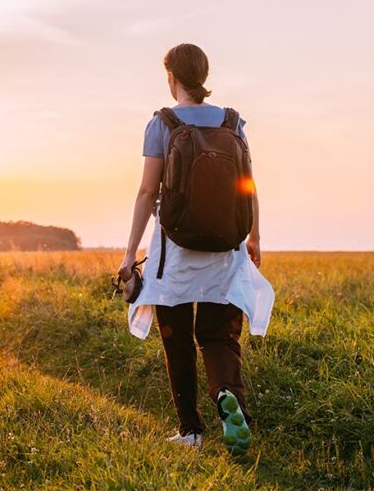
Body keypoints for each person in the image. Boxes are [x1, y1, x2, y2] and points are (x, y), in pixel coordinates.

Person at [118, 43, 274, 455]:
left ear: (172, 77)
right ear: (203, 75)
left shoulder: (162, 123)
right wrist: (255, 236)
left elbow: (147, 191)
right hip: (226, 250)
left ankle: (190, 430)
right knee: (219, 336)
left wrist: (129, 253)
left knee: (178, 339)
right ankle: (228, 396)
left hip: (175, 254)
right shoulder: (232, 122)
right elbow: (248, 186)